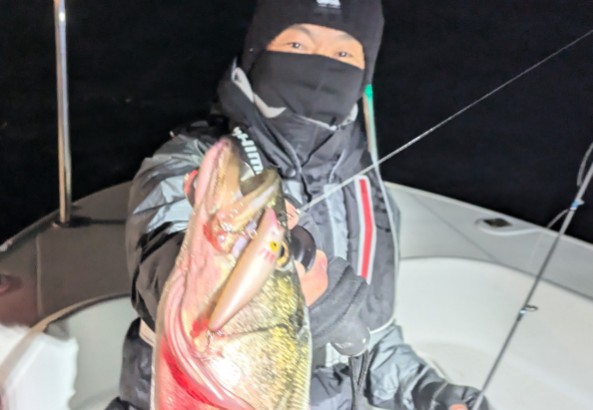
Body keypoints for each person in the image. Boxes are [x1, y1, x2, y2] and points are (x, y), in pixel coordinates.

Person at [108, 1, 490, 409]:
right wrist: (262, 272)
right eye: (297, 44)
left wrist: (428, 392)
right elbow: (161, 273)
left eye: (343, 53)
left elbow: (372, 339)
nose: (322, 64)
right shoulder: (195, 159)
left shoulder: (366, 191)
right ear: (257, 55)